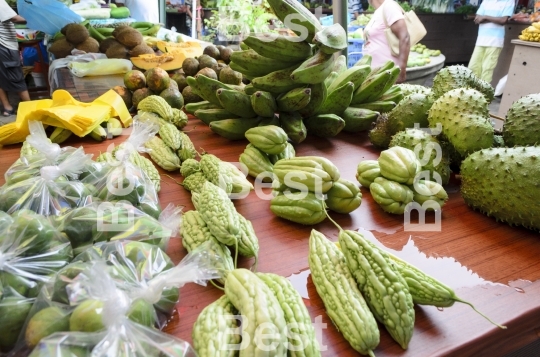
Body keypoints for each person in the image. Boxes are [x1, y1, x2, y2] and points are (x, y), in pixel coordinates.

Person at [468, 0, 515, 83]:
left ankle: (483, 94)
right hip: (481, 40)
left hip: (495, 41)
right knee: (472, 68)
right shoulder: (486, 1)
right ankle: (471, 92)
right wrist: (495, 19)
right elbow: (477, 19)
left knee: (487, 70)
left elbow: (503, 21)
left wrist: (486, 17)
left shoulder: (509, 1)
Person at [362, 0, 410, 83]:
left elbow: (405, 37)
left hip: (387, 75)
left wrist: (401, 71)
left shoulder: (389, 6)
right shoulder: (379, 11)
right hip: (375, 75)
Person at [0, 0, 30, 117]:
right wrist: (39, 20)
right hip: (4, 45)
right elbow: (15, 19)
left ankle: (7, 107)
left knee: (1, 77)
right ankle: (29, 108)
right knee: (16, 76)